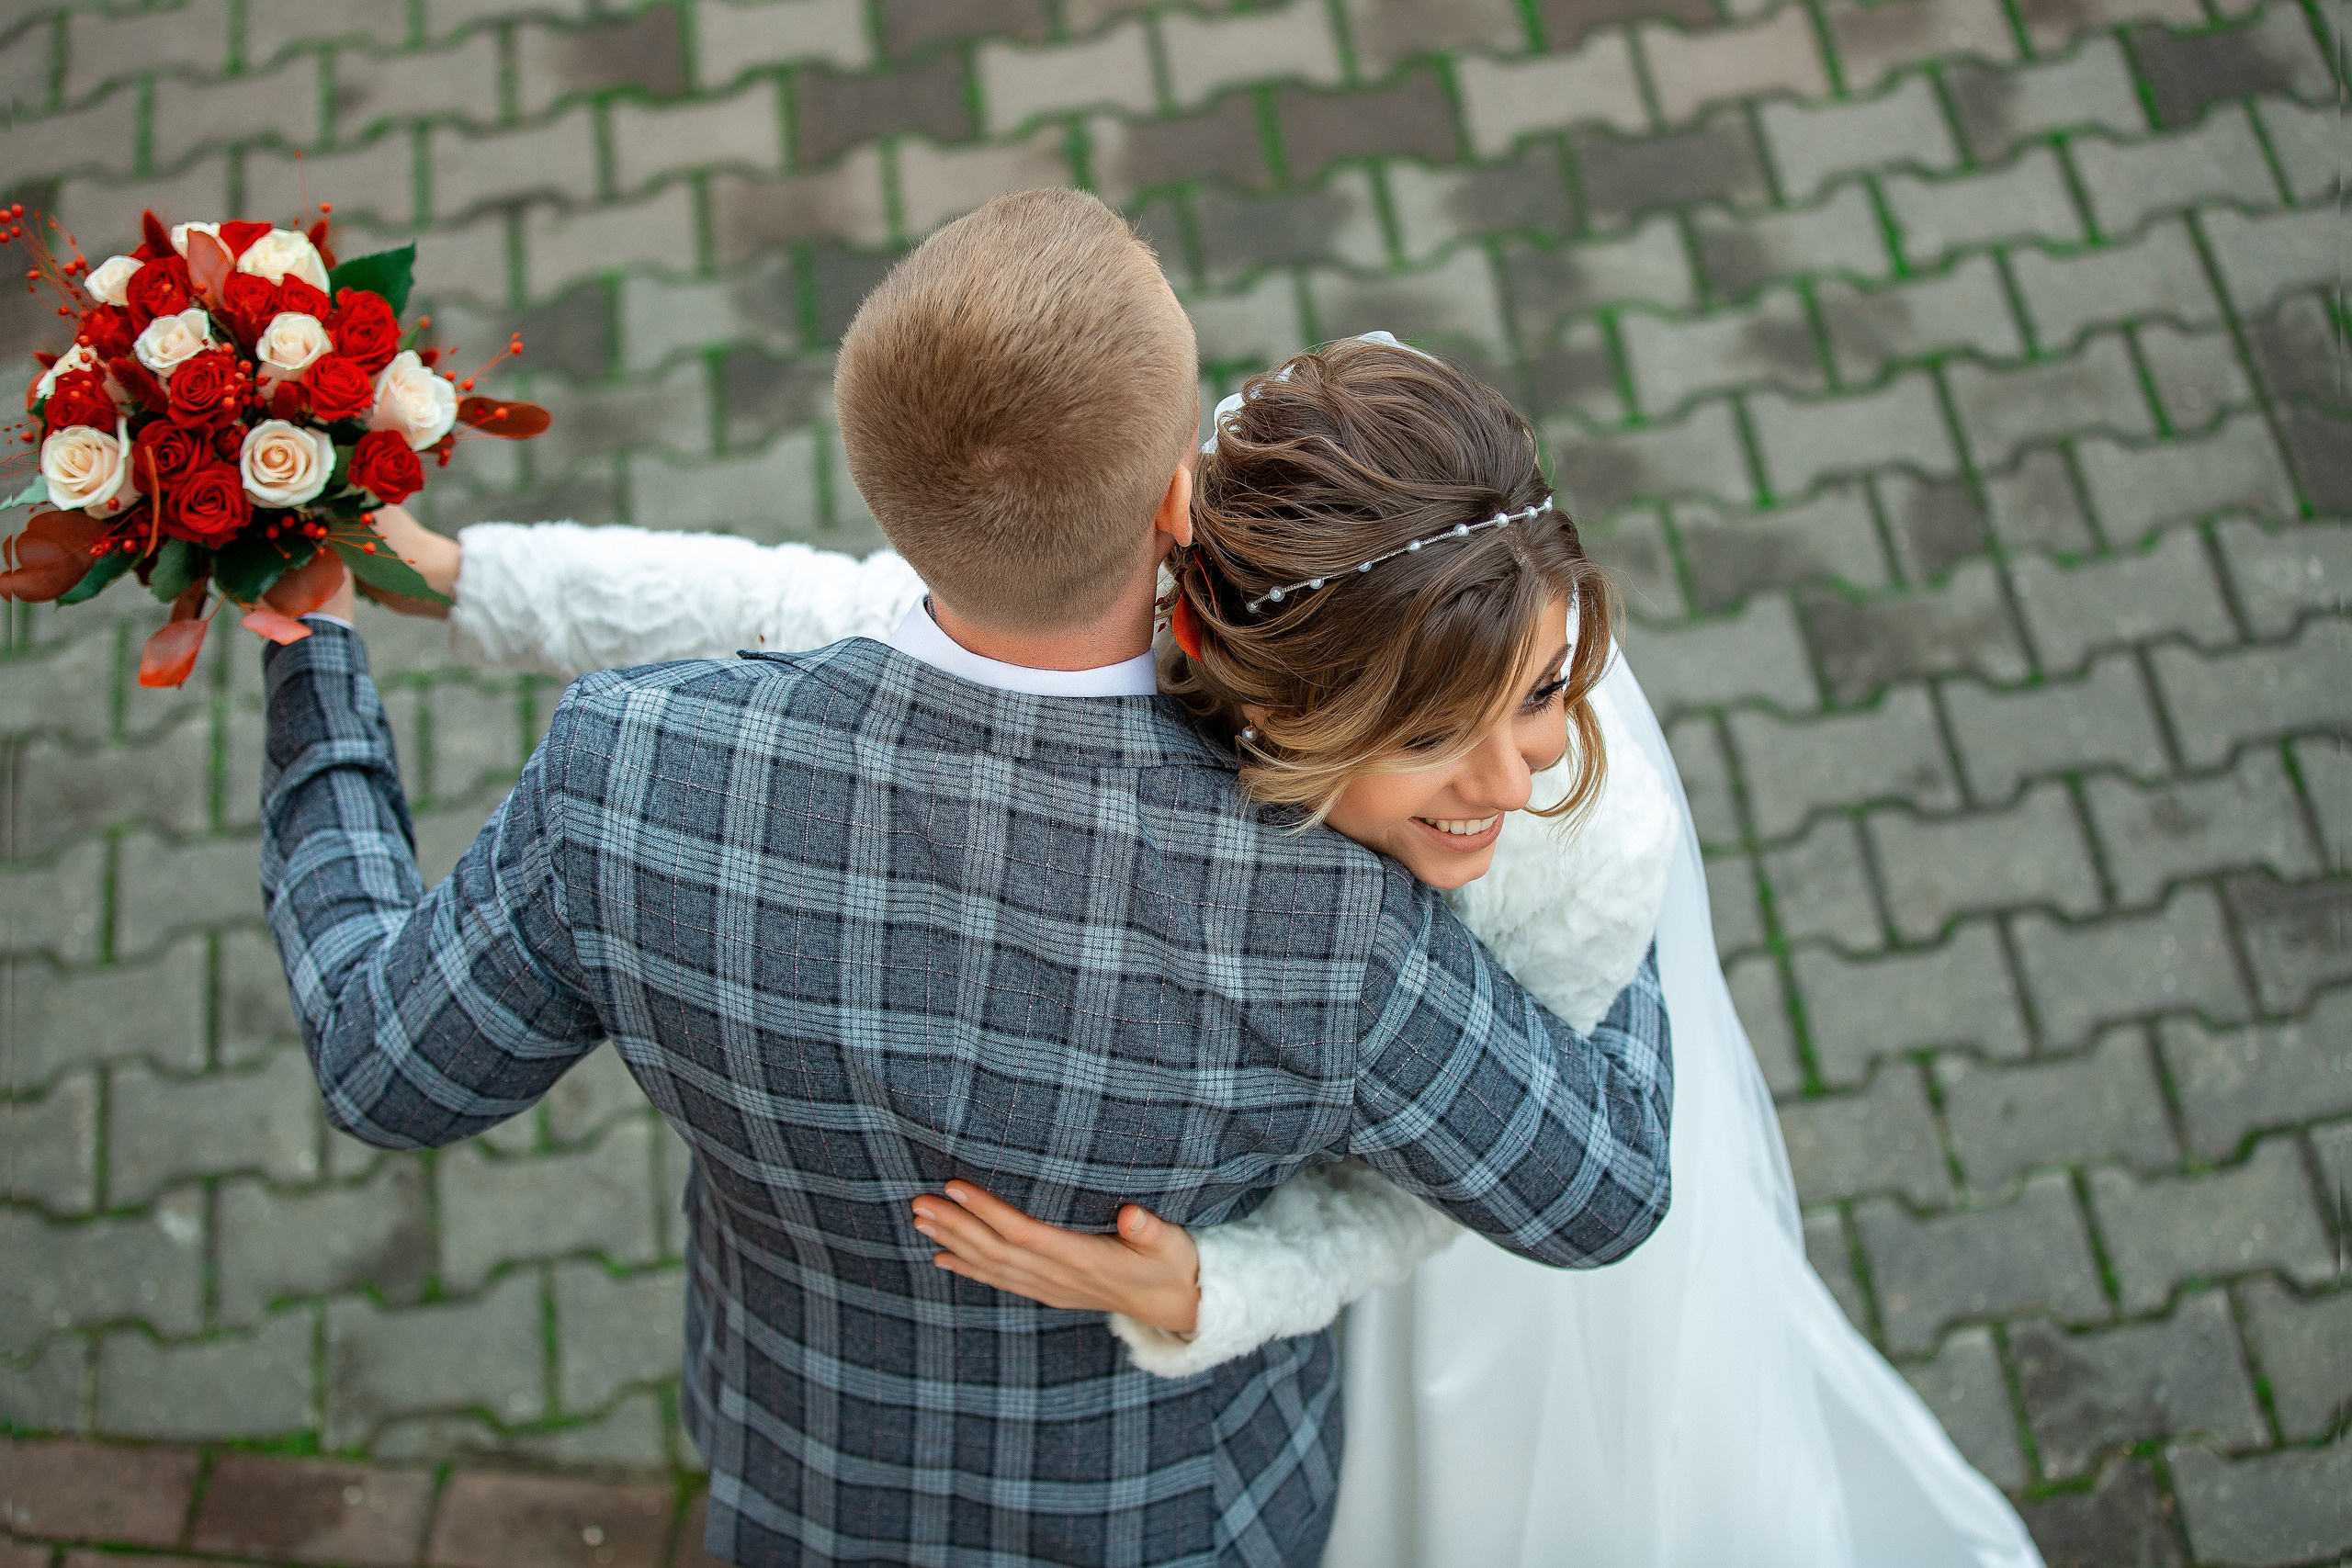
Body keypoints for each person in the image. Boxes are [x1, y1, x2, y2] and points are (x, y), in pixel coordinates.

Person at [366, 324, 2048, 1566]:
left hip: (1434, 1239)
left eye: (1546, 692)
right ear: (1270, 699)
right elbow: (778, 600)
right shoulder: (1220, 723)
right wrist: (461, 579)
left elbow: (1537, 1188)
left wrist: (1227, 1284)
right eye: (1436, 737)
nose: (1520, 773)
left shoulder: (1578, 850)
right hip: (1275, 1319)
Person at [266, 189, 1674, 1568]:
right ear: (1183, 495)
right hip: (1185, 1517)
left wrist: (315, 667)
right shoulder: (1336, 921)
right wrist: (1610, 857)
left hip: (807, 1476)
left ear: (881, 482)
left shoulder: (626, 775)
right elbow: (1600, 1192)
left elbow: (390, 1070)